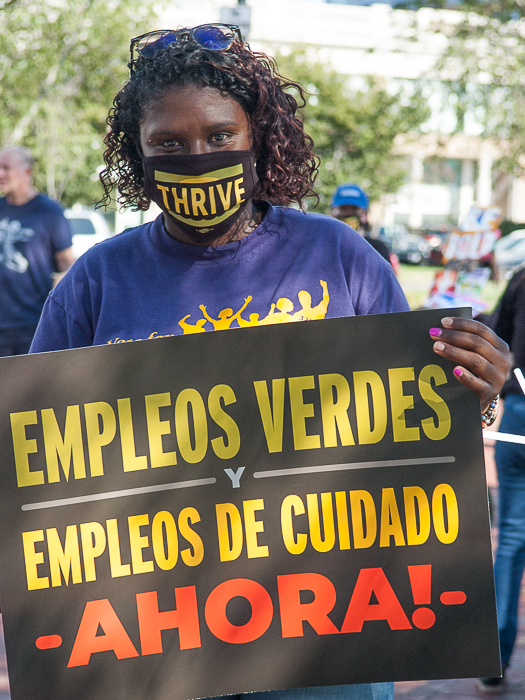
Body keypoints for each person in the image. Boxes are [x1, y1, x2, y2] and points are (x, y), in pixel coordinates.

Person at [29, 23, 509, 700]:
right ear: (138, 157)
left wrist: (477, 390)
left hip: (323, 631)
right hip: (160, 638)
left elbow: (418, 424)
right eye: (169, 143)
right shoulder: (95, 280)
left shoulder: (339, 258)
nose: (198, 155)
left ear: (256, 134)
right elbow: (36, 451)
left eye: (220, 136)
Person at [478, 267, 525, 693]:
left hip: (519, 413)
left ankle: (494, 656)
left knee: (510, 539)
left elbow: (498, 338)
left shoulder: (521, 277)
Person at [0, 146, 75, 356]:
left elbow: (66, 264)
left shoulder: (49, 211)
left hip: (33, 325)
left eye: (6, 168)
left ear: (27, 172)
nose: (1, 174)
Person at [330, 183, 394, 267]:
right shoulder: (326, 247)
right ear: (333, 214)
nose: (349, 214)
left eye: (354, 209)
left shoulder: (377, 249)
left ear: (365, 214)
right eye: (343, 209)